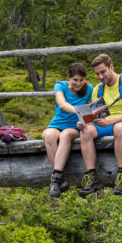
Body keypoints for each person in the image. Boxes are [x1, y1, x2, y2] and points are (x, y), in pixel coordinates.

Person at [78, 53, 122, 196]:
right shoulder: (98, 89)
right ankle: (92, 177)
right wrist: (83, 122)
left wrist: (110, 122)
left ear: (111, 67)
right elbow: (94, 115)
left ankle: (121, 176)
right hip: (107, 124)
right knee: (86, 131)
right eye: (97, 74)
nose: (100, 77)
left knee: (118, 128)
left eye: (103, 72)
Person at [42, 62, 93, 197]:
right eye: (75, 80)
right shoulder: (60, 85)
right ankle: (61, 179)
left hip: (75, 127)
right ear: (69, 78)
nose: (78, 83)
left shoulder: (89, 89)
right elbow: (62, 104)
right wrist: (78, 111)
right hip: (58, 123)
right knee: (48, 135)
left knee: (66, 134)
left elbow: (89, 113)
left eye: (81, 80)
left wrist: (83, 122)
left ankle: (55, 180)